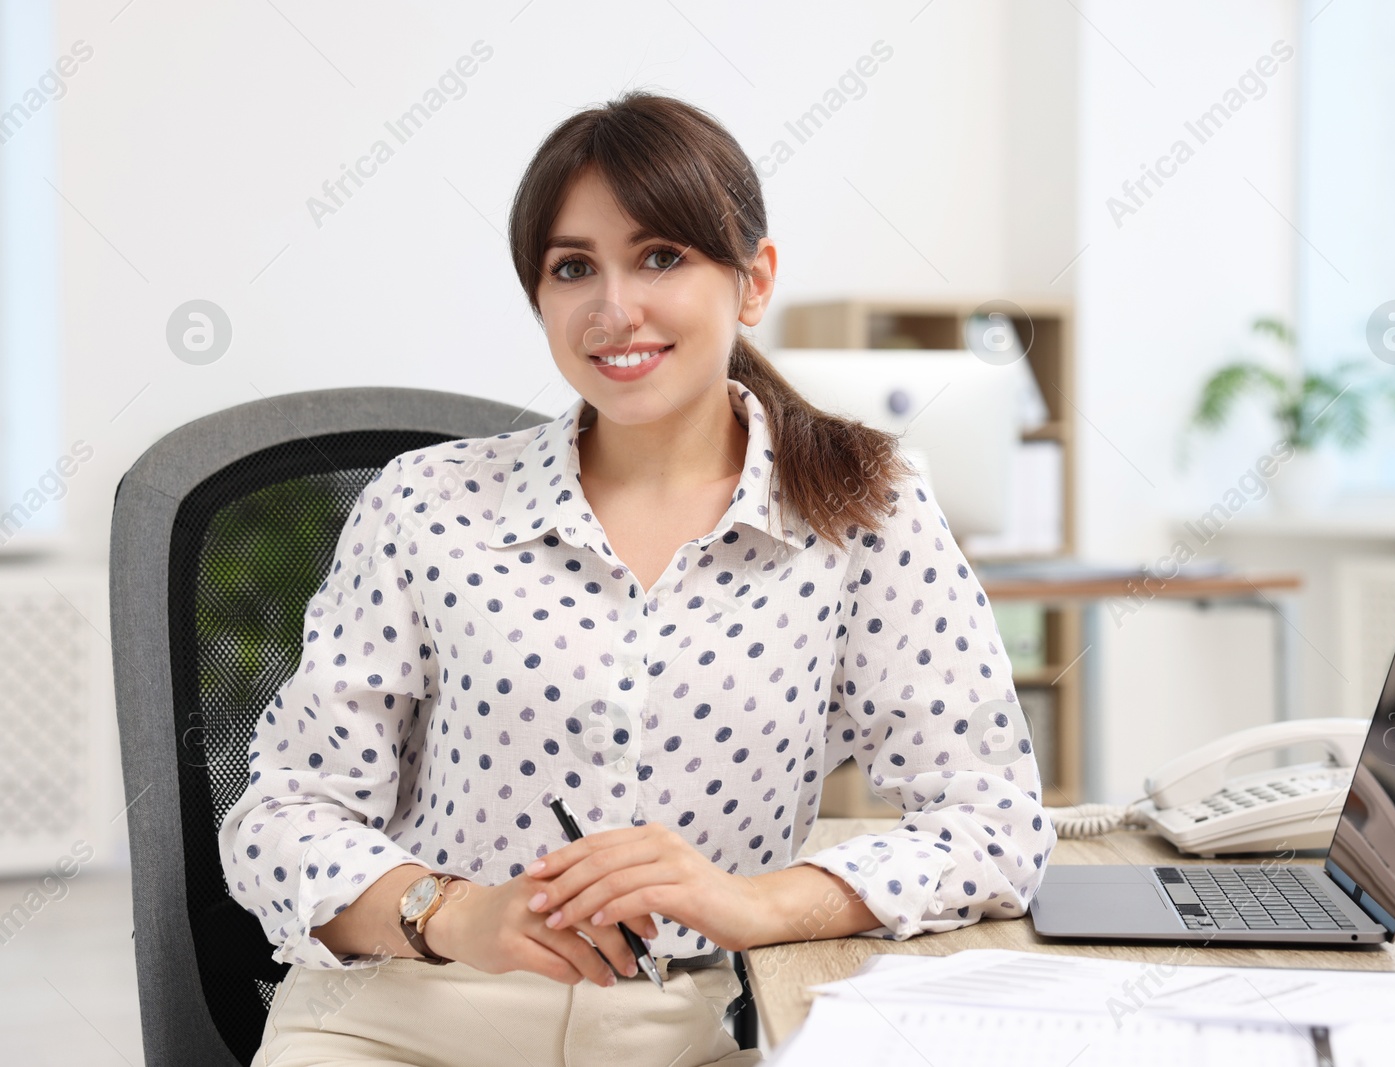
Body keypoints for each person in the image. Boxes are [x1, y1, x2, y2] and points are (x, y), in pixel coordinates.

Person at [219, 89, 1054, 1067]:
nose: (614, 309)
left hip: (694, 1028)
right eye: (574, 267)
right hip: (408, 1014)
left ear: (752, 281)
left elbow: (991, 825)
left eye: (661, 256)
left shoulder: (864, 507)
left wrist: (750, 901)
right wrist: (448, 910)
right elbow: (279, 815)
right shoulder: (426, 505)